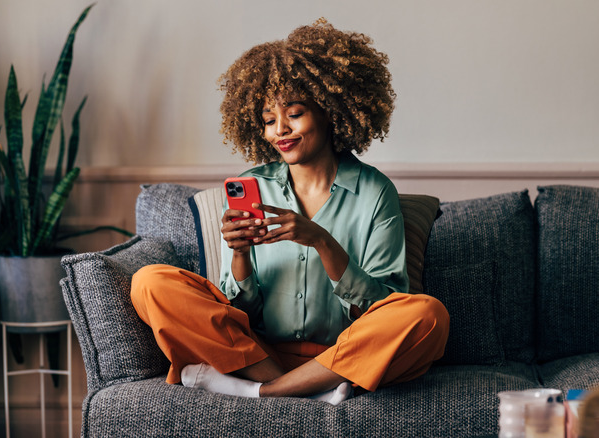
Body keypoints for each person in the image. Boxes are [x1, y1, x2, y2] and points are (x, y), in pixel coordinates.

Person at [130, 19, 449, 405]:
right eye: (268, 120)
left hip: (343, 355)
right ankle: (305, 390)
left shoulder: (374, 192)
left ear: (330, 112)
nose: (279, 130)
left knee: (427, 315)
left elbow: (384, 305)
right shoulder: (254, 186)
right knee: (149, 282)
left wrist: (320, 240)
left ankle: (267, 392)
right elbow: (236, 312)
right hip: (258, 353)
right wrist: (240, 254)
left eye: (294, 114)